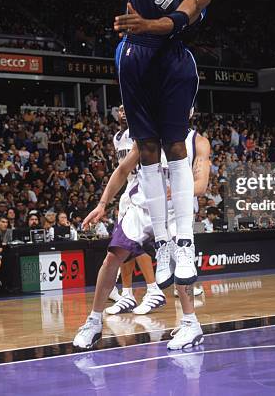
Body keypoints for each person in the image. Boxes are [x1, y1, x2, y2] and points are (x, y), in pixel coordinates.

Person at [112, 0, 214, 289]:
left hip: (169, 57)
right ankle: (167, 249)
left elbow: (185, 16)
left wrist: (146, 23)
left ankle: (186, 243)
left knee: (177, 147)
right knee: (147, 149)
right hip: (133, 53)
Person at [74, 128, 211, 350]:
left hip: (176, 210)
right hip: (141, 206)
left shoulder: (198, 141)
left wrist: (173, 192)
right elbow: (122, 170)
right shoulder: (147, 137)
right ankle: (94, 321)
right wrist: (102, 204)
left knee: (180, 263)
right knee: (112, 258)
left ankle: (190, 323)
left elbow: (201, 185)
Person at [106, 105, 160, 314]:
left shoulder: (142, 130)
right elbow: (121, 167)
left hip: (144, 186)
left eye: (127, 108)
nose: (123, 112)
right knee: (122, 243)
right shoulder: (118, 138)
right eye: (120, 110)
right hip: (129, 189)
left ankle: (153, 288)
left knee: (135, 241)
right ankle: (127, 294)